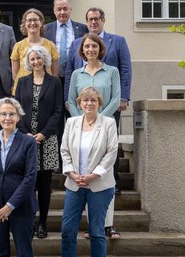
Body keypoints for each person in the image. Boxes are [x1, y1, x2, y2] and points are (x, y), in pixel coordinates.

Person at [65, 7, 132, 195]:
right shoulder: (77, 44)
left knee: (109, 148)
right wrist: (81, 117)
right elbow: (70, 77)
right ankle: (82, 179)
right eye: (90, 19)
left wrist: (101, 117)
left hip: (107, 112)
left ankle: (112, 182)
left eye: (97, 19)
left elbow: (126, 69)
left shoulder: (118, 42)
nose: (93, 22)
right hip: (82, 115)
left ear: (103, 20)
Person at [66, 33, 121, 240]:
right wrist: (81, 121)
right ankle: (92, 226)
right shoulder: (76, 74)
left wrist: (98, 120)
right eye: (87, 46)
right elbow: (71, 101)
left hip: (105, 128)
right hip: (81, 130)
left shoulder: (111, 71)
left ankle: (108, 225)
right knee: (84, 174)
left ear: (100, 49)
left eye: (94, 46)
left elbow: (115, 99)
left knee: (104, 175)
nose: (90, 50)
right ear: (82, 50)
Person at [60, 87, 118, 257]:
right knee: (67, 231)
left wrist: (94, 175)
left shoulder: (108, 123)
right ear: (79, 103)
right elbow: (64, 151)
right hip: (74, 184)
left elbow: (111, 152)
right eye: (85, 100)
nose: (89, 103)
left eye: (93, 100)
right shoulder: (72, 122)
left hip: (100, 185)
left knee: (97, 232)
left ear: (100, 103)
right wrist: (71, 173)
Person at [14, 46, 63, 239]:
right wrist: (25, 133)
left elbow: (58, 111)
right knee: (27, 183)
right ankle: (29, 221)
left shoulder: (54, 82)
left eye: (38, 58)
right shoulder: (23, 81)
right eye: (32, 59)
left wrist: (43, 134)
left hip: (47, 139)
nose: (35, 62)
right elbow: (16, 109)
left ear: (44, 60)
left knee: (44, 184)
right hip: (25, 139)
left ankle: (42, 223)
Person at [0, 98, 38, 257]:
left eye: (12, 114)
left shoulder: (28, 142)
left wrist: (9, 206)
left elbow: (30, 177)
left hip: (21, 206)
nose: (7, 118)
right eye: (3, 114)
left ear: (18, 116)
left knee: (24, 252)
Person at [45, 0, 88, 142]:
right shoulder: (46, 29)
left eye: (65, 8)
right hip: (53, 79)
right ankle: (59, 158)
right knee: (55, 118)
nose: (62, 12)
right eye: (59, 9)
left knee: (74, 117)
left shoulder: (83, 29)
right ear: (54, 11)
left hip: (75, 79)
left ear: (70, 10)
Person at [10, 8, 59, 95]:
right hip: (23, 91)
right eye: (29, 20)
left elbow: (54, 73)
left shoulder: (51, 46)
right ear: (25, 24)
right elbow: (14, 74)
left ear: (41, 23)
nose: (32, 23)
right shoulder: (18, 46)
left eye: (35, 20)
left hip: (45, 91)